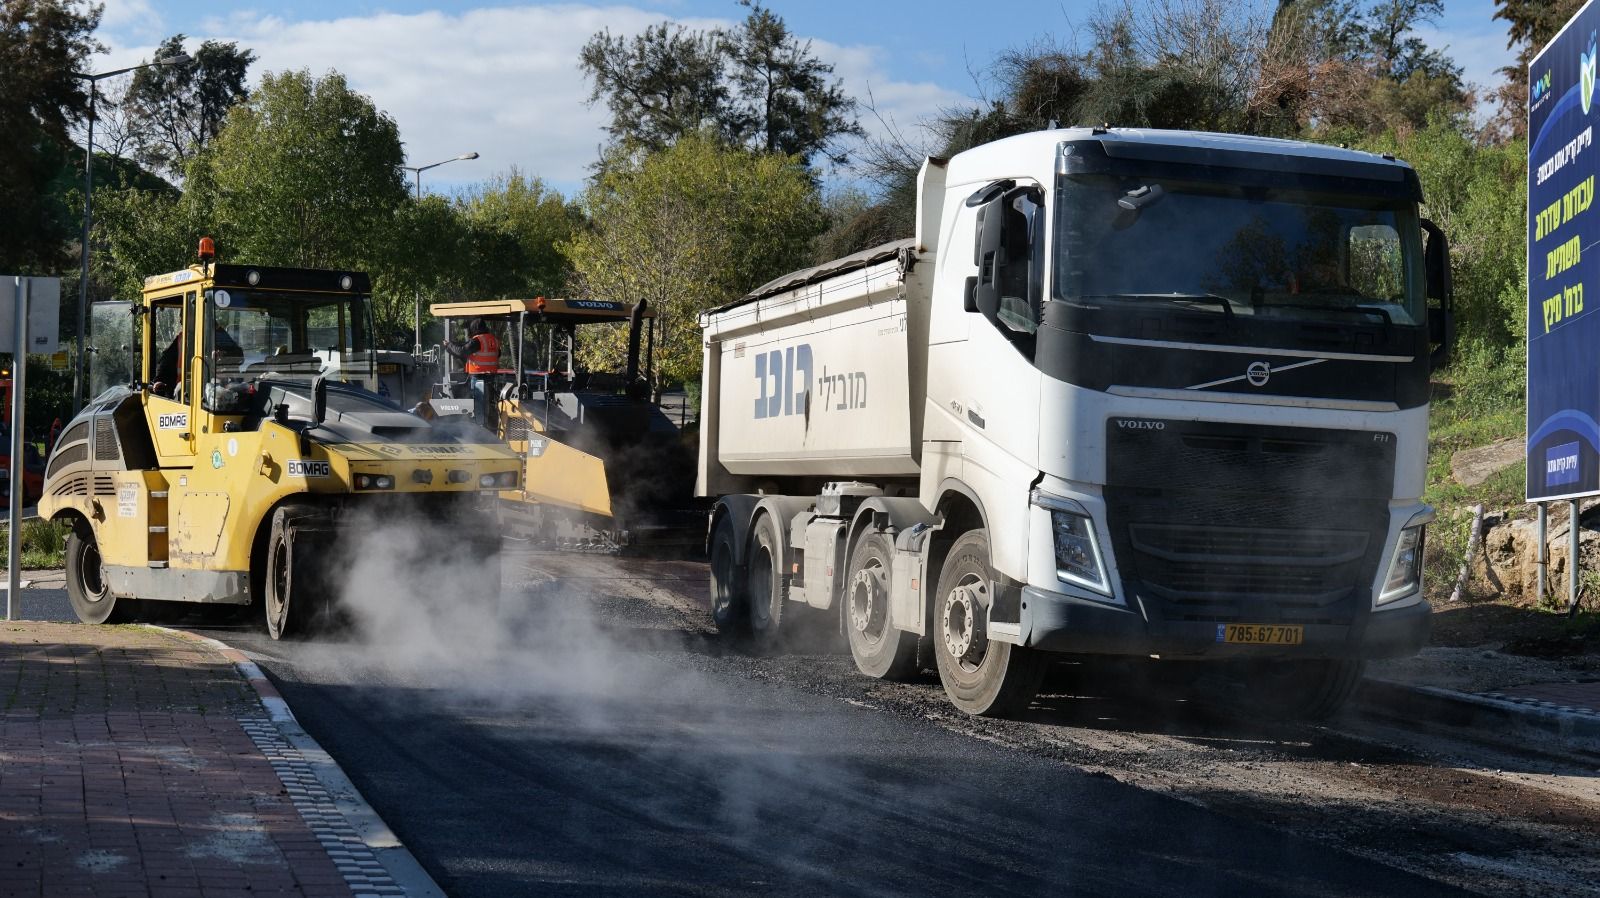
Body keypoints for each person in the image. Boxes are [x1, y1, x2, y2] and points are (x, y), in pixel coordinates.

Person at [442, 318, 501, 429]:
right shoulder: (493, 340)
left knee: (478, 405)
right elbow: (496, 355)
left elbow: (462, 351)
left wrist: (448, 346)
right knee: (487, 404)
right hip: (491, 377)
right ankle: (489, 425)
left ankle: (478, 427)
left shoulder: (477, 341)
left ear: (474, 328)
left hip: (478, 377)